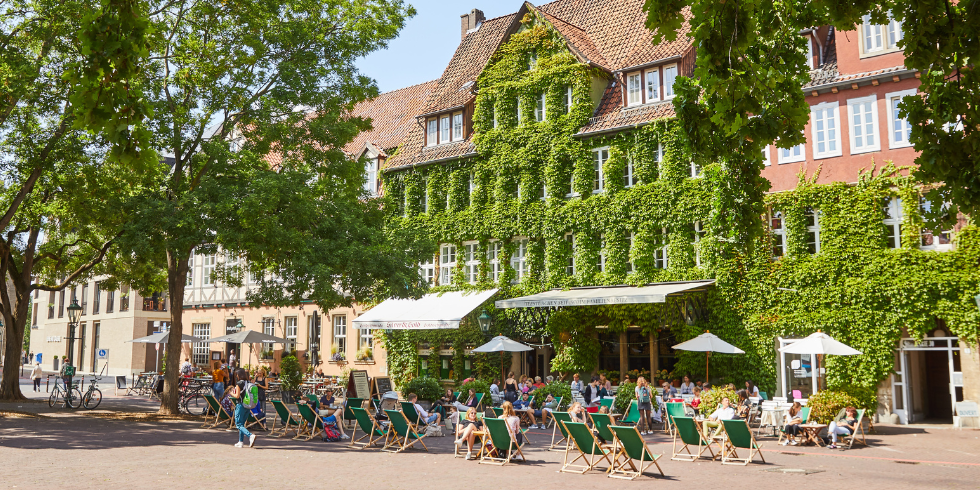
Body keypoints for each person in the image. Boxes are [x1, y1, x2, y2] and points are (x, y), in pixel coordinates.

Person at [228, 370, 256, 448]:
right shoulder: (248, 382)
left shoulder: (239, 384)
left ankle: (250, 435)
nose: (236, 376)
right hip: (247, 405)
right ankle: (240, 442)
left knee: (238, 424)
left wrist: (231, 393)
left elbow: (237, 396)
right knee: (242, 424)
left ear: (238, 375)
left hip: (240, 405)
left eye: (236, 375)